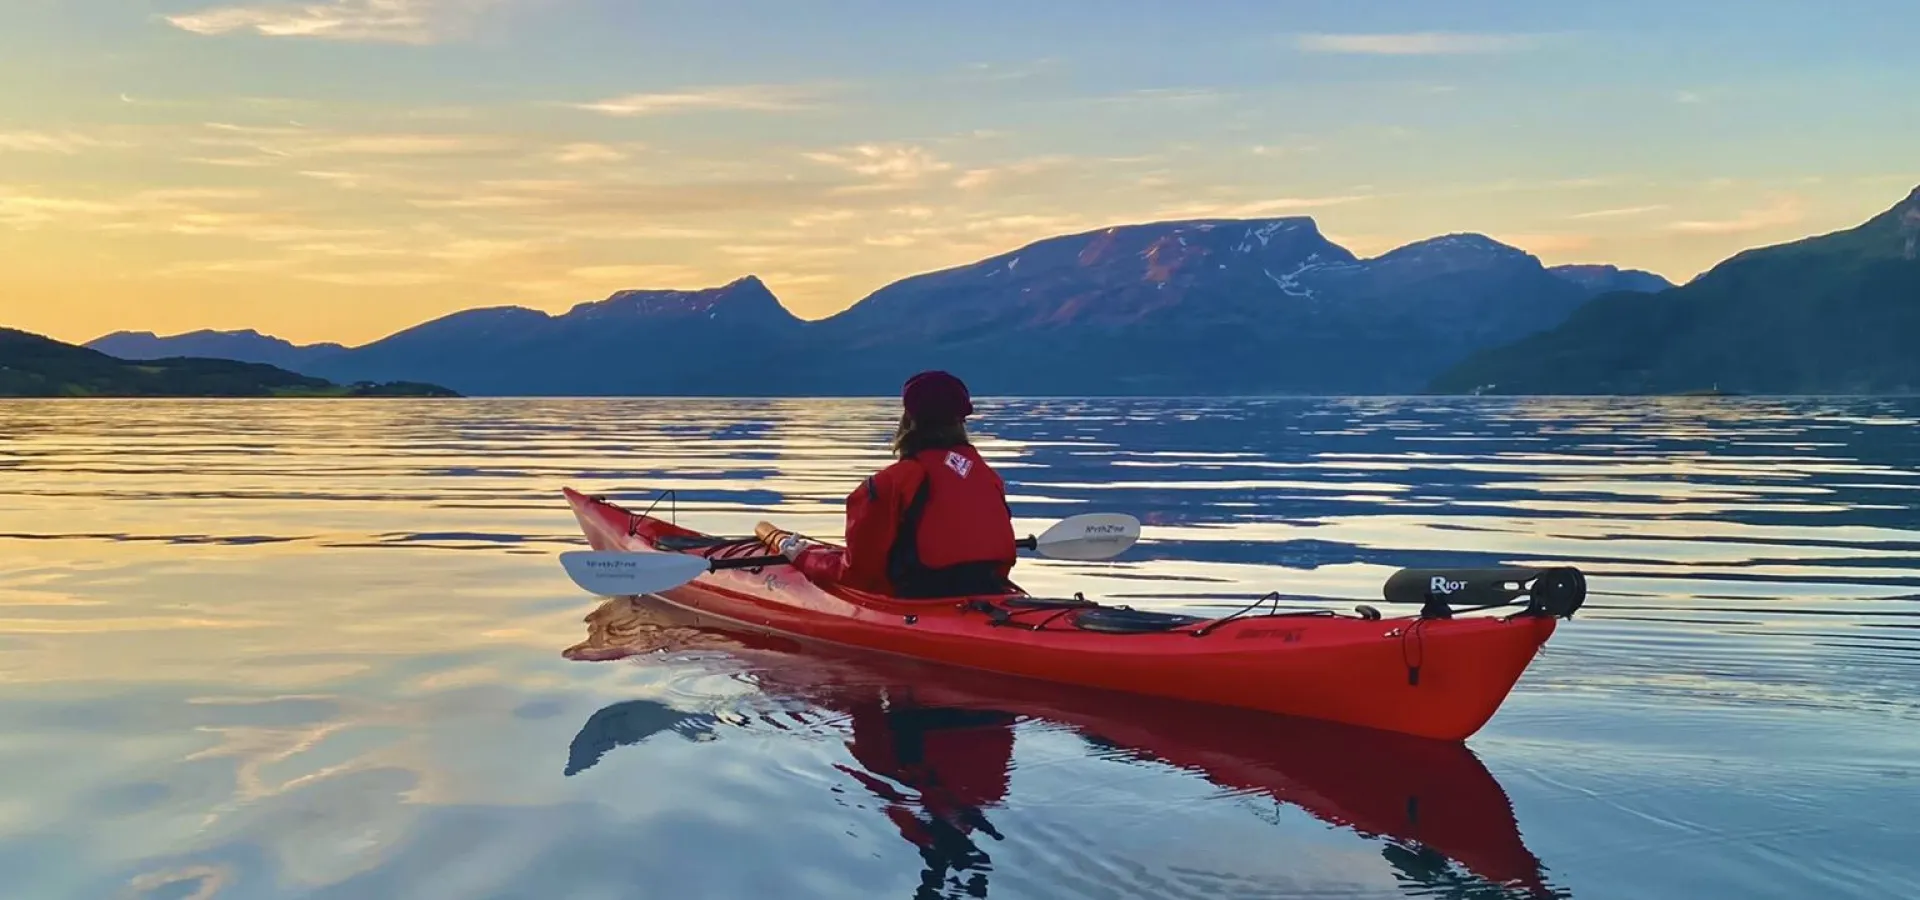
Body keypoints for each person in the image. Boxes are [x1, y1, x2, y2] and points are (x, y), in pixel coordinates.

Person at [759, 370, 1017, 598]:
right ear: (962, 420)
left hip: (917, 599)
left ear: (909, 420)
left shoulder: (887, 485)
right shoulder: (988, 478)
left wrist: (803, 558)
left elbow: (857, 576)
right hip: (988, 592)